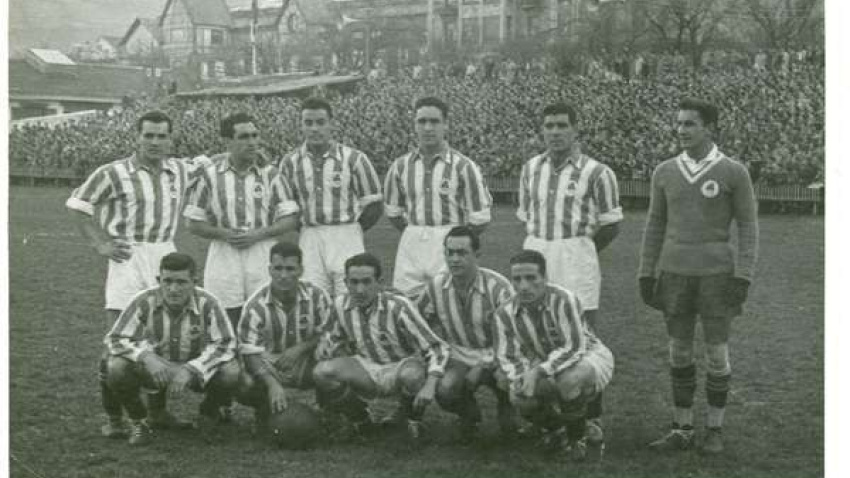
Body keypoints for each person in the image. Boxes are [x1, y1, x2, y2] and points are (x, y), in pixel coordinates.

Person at [65, 110, 200, 439]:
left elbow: (214, 161)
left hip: (165, 255)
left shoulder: (180, 170)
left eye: (161, 136)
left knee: (162, 337)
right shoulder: (113, 172)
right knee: (116, 342)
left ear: (171, 140)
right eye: (148, 135)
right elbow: (78, 205)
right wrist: (100, 244)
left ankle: (158, 413)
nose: (155, 142)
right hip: (128, 257)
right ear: (137, 137)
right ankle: (114, 419)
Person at [638, 98, 759, 454]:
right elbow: (655, 224)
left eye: (690, 123)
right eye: (678, 123)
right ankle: (682, 427)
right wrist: (646, 271)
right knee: (678, 351)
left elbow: (749, 226)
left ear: (710, 128)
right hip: (675, 273)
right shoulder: (664, 171)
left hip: (716, 276)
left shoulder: (733, 172)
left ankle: (715, 429)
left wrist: (744, 275)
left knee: (716, 353)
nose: (682, 130)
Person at [103, 252, 239, 445]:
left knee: (231, 371)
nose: (173, 289)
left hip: (195, 369)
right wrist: (145, 357)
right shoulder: (144, 300)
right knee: (115, 366)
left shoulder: (208, 302)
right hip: (157, 368)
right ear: (159, 280)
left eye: (181, 282)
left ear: (194, 282)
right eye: (167, 281)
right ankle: (140, 421)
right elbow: (115, 338)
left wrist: (192, 369)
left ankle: (208, 413)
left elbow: (226, 343)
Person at [313, 253, 450, 441]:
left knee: (412, 375)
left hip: (401, 366)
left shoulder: (398, 306)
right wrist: (325, 345)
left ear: (380, 282)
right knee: (322, 372)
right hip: (366, 367)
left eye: (367, 282)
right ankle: (361, 419)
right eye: (354, 282)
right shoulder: (339, 305)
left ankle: (410, 418)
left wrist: (430, 384)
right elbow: (331, 334)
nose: (360, 289)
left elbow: (436, 347)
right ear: (345, 283)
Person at [492, 250, 614, 462]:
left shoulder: (564, 299)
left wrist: (537, 373)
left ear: (545, 278)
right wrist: (522, 377)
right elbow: (508, 356)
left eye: (531, 278)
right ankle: (560, 430)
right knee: (518, 396)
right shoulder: (504, 313)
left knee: (569, 380)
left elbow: (573, 347)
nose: (523, 286)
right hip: (545, 362)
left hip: (588, 355)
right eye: (517, 279)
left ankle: (578, 441)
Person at [185, 112, 298, 328]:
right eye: (244, 137)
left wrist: (258, 234)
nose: (252, 142)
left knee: (265, 311)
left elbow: (290, 219)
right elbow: (192, 222)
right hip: (224, 252)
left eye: (255, 136)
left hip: (262, 250)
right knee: (225, 313)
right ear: (228, 141)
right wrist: (224, 234)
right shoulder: (209, 176)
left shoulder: (271, 175)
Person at [516, 102, 622, 331]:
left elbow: (611, 225)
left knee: (579, 328)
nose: (555, 132)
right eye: (549, 126)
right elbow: (525, 216)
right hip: (536, 251)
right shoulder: (530, 169)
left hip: (576, 256)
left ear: (575, 129)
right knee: (534, 326)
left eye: (562, 125)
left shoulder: (597, 172)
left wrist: (581, 247)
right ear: (542, 130)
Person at [413, 225, 517, 438]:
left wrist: (484, 364)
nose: (454, 259)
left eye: (462, 253)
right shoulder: (436, 285)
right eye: (450, 253)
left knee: (508, 390)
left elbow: (514, 336)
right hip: (459, 354)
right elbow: (417, 321)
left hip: (498, 354)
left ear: (477, 255)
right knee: (445, 389)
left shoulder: (498, 287)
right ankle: (469, 414)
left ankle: (506, 404)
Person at [384, 96, 492, 294]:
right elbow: (393, 212)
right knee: (406, 301)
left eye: (434, 121)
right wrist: (417, 232)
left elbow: (480, 218)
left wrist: (456, 241)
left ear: (446, 125)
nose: (428, 128)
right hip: (411, 240)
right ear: (414, 125)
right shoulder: (400, 166)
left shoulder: (464, 166)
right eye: (422, 121)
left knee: (448, 302)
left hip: (449, 240)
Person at [278, 97, 383, 297]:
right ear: (301, 126)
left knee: (350, 297)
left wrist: (353, 229)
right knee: (312, 297)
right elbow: (287, 208)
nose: (314, 129)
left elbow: (374, 205)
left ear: (331, 124)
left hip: (347, 234)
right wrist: (308, 227)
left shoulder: (354, 159)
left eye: (320, 122)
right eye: (308, 123)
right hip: (310, 237)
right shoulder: (290, 163)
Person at [235, 242, 333, 434]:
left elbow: (330, 331)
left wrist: (300, 348)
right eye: (278, 268)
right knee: (243, 381)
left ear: (301, 270)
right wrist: (272, 383)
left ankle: (332, 412)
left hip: (307, 361)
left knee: (334, 357)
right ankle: (265, 412)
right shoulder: (255, 305)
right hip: (271, 364)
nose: (283, 275)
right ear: (269, 270)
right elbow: (248, 351)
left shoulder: (318, 296)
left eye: (290, 269)